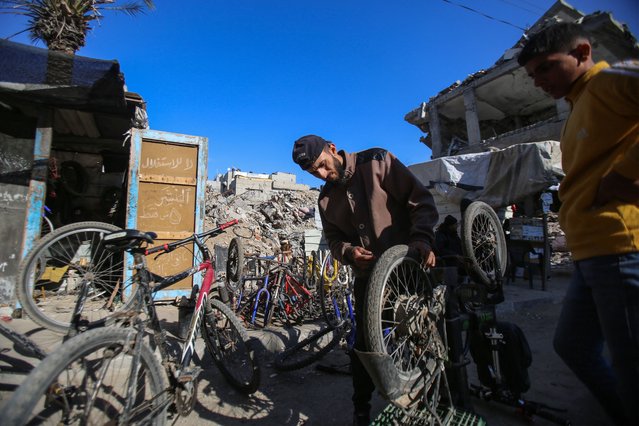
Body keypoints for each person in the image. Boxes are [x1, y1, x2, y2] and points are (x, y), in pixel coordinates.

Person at [518, 22, 638, 426]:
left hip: (618, 246)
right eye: (533, 75)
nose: (539, 82)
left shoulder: (609, 81)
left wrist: (625, 175)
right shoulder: (576, 107)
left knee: (632, 367)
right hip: (591, 253)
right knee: (573, 345)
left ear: (583, 52)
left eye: (547, 68)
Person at [292, 134, 439, 425]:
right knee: (365, 346)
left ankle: (433, 396)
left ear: (332, 149)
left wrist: (422, 239)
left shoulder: (377, 161)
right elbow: (333, 241)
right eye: (314, 172)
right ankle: (362, 409)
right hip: (369, 281)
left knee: (424, 334)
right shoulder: (324, 199)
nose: (322, 174)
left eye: (323, 165)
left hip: (408, 271)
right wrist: (349, 252)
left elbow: (421, 202)